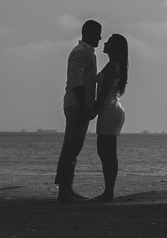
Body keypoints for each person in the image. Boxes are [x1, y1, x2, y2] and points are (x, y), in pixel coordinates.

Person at [54, 19, 101, 202]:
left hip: (79, 105)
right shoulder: (80, 52)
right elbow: (77, 81)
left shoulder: (88, 53)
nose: (99, 37)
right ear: (88, 33)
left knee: (74, 148)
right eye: (97, 33)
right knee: (71, 147)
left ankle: (68, 188)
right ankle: (64, 191)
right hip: (77, 105)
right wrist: (84, 106)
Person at [90, 33, 128, 202]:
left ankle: (108, 192)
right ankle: (108, 191)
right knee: (106, 151)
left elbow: (104, 92)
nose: (105, 43)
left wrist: (92, 112)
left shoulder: (113, 65)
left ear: (115, 47)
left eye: (109, 42)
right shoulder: (113, 65)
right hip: (111, 109)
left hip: (109, 110)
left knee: (107, 152)